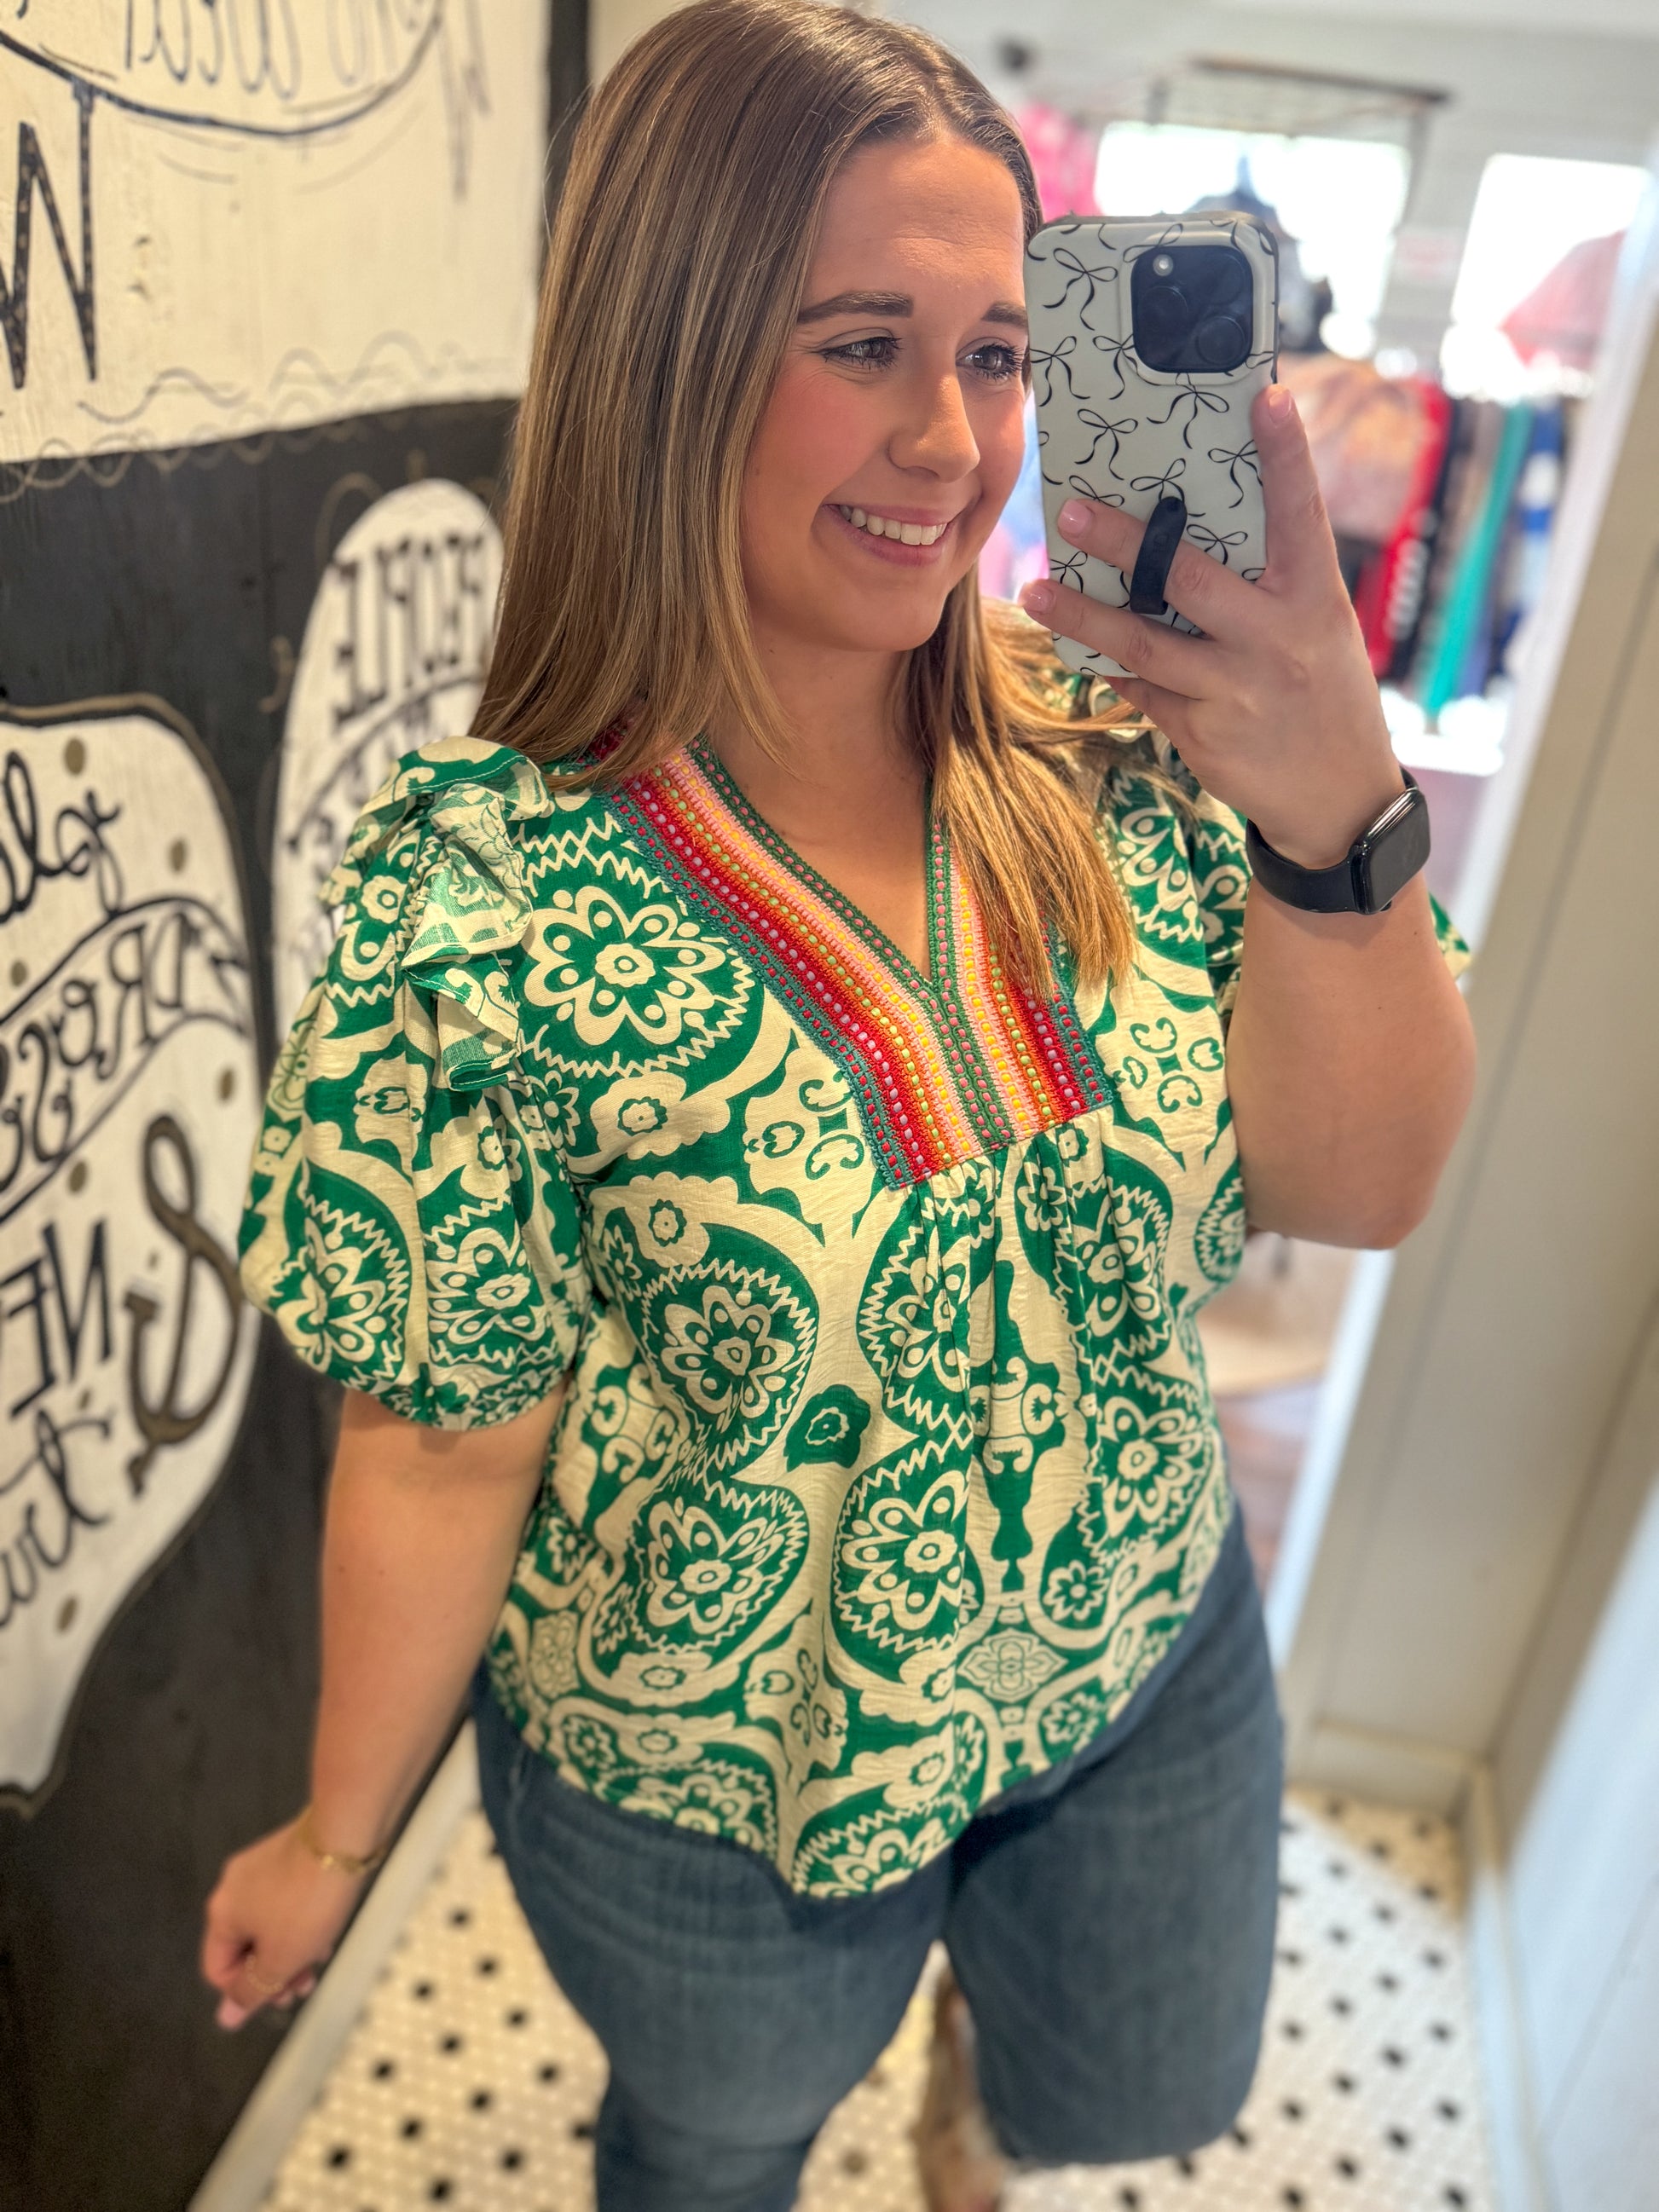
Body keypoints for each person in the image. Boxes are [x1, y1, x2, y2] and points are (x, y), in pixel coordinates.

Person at [201, 6, 1476, 2209]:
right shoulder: (479, 898)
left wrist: (1327, 812)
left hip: (1122, 1653)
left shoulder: (1126, 747)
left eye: (994, 353)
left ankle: (975, 2045)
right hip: (708, 1777)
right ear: (666, 353)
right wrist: (335, 1828)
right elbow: (442, 1433)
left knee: (1143, 2082)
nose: (950, 440)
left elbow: (1359, 1188)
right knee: (709, 2148)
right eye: (861, 341)